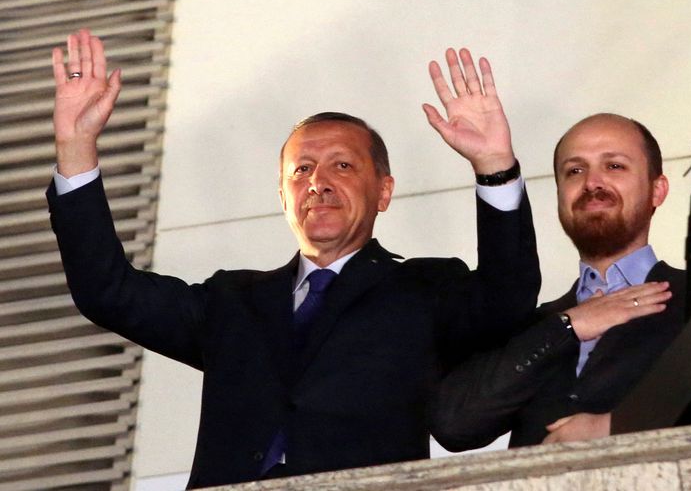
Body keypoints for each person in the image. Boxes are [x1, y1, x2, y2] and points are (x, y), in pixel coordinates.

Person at [47, 30, 540, 488]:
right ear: (284, 197)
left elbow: (508, 297)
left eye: (342, 166)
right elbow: (106, 290)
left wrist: (494, 166)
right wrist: (76, 146)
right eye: (301, 169)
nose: (318, 182)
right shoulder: (230, 302)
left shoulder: (423, 289)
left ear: (384, 191)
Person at [430, 113, 691, 451]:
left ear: (657, 190)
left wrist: (617, 426)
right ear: (560, 195)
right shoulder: (533, 325)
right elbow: (453, 424)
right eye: (575, 171)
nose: (592, 183)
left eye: (615, 166)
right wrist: (568, 326)